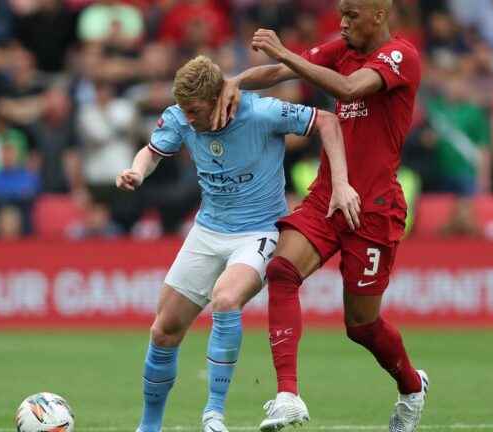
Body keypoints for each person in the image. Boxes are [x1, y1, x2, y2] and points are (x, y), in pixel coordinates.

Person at [212, 1, 428, 431]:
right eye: (341, 15)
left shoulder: (401, 56)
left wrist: (285, 53)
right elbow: (277, 74)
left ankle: (411, 387)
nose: (343, 23)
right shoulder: (340, 48)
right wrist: (236, 81)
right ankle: (288, 395)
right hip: (328, 196)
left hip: (374, 207)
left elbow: (348, 89)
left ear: (379, 15)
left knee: (361, 325)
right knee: (283, 270)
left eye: (351, 16)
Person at [116, 55, 357, 432]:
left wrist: (341, 184)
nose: (189, 120)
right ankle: (149, 426)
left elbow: (326, 120)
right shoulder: (181, 116)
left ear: (219, 99)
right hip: (208, 230)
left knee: (226, 300)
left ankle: (214, 415)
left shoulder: (262, 112)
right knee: (164, 330)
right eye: (186, 111)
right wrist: (137, 170)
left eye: (196, 111)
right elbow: (152, 151)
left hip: (257, 232)